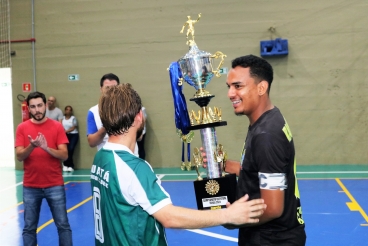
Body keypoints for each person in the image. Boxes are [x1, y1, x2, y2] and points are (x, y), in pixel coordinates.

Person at [90, 84, 266, 246]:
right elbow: (169, 217)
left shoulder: (101, 158)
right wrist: (228, 214)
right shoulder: (134, 168)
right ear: (139, 116)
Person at [224, 54, 306, 245]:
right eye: (229, 87)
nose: (230, 93)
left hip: (271, 239)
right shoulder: (269, 119)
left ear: (262, 87)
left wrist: (232, 218)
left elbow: (273, 208)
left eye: (238, 86)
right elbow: (261, 170)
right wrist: (224, 165)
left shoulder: (266, 135)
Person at [15, 91, 73, 246]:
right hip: (31, 186)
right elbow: (20, 156)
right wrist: (32, 146)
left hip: (54, 184)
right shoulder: (22, 128)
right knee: (29, 228)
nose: (37, 110)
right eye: (33, 107)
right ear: (29, 109)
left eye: (40, 105)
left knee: (63, 225)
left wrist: (46, 148)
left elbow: (64, 155)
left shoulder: (57, 127)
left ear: (45, 105)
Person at [86, 73, 139, 155]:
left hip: (129, 156)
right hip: (107, 159)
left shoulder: (129, 107)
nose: (111, 91)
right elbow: (92, 142)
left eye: (114, 88)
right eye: (107, 88)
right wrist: (106, 126)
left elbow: (139, 136)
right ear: (101, 89)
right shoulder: (93, 111)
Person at [62, 105, 79, 172]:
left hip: (73, 135)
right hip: (65, 136)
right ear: (65, 110)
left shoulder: (73, 118)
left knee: (71, 149)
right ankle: (65, 164)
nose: (68, 111)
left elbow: (73, 127)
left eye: (70, 110)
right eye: (67, 109)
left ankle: (71, 165)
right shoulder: (62, 118)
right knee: (65, 150)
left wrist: (66, 131)